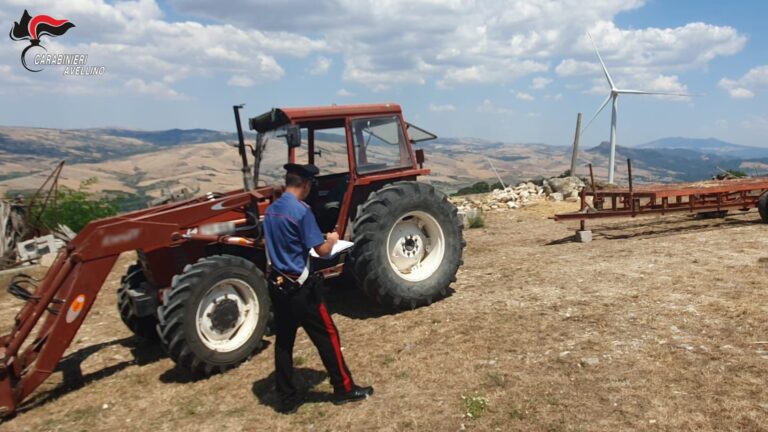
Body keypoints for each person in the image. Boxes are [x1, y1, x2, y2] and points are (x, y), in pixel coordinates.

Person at [263, 163, 373, 414]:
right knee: (328, 336)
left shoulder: (271, 210)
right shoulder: (301, 211)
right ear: (306, 184)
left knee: (284, 342)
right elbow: (322, 251)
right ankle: (344, 388)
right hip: (301, 289)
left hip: (278, 286)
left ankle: (286, 397)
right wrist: (332, 240)